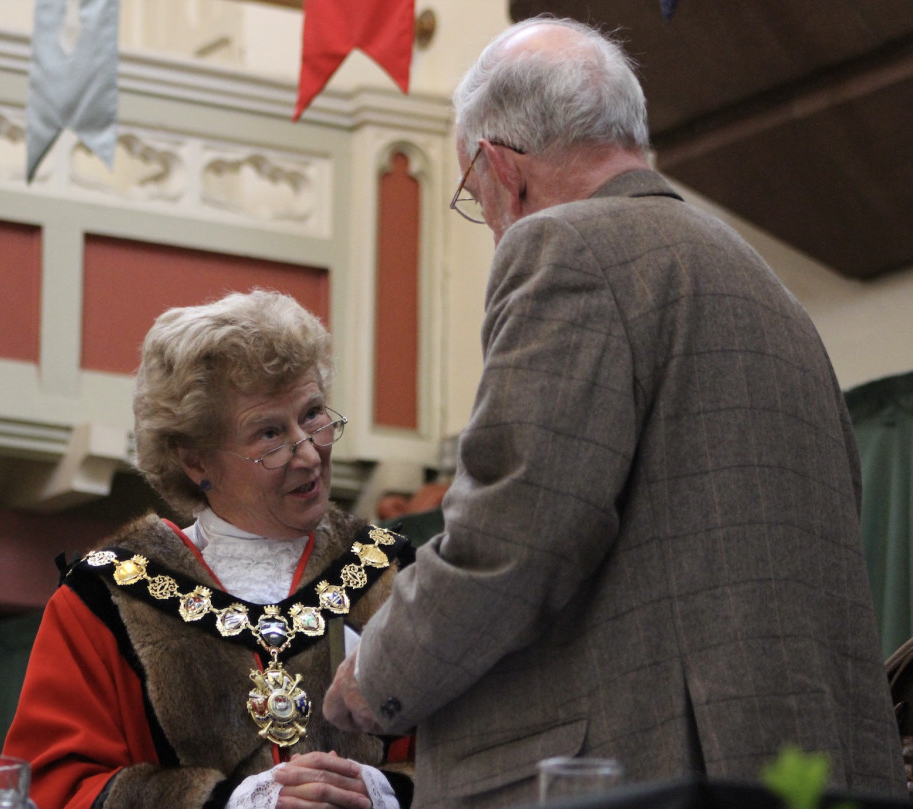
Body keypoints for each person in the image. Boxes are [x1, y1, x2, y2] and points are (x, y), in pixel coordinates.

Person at [324, 16, 906, 809]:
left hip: (640, 769)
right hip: (801, 768)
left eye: (473, 195)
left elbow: (514, 535)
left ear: (501, 167)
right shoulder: (759, 281)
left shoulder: (563, 248)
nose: (490, 222)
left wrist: (375, 675)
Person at [4, 290, 414, 809]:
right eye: (270, 433)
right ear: (197, 462)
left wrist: (382, 792)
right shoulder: (104, 601)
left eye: (312, 415)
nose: (309, 452)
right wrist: (232, 803)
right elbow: (48, 791)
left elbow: (486, 755)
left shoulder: (394, 575)